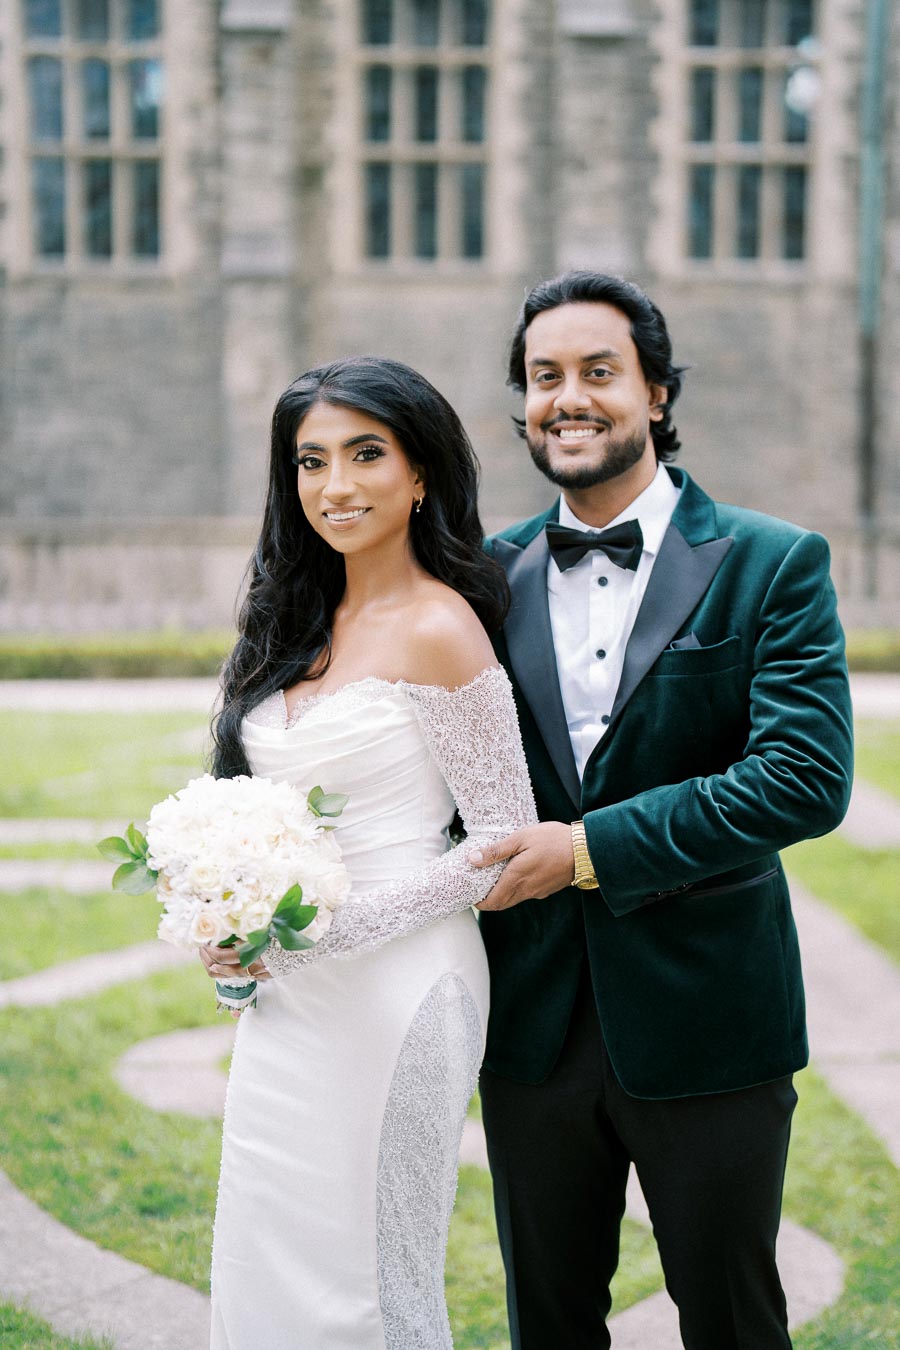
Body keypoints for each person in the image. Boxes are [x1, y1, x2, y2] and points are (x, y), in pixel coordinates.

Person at [470, 271, 854, 1350]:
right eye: (544, 377)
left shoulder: (774, 562)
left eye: (599, 372)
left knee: (733, 1322)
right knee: (547, 1327)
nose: (568, 398)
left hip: (710, 1019)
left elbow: (803, 779)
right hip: (531, 1028)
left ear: (657, 395)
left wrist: (586, 850)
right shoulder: (479, 578)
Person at [199, 355, 536, 1349]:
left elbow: (503, 839)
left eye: (364, 455)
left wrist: (333, 932)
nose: (334, 486)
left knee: (373, 1273)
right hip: (290, 999)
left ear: (421, 472)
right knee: (267, 1239)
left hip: (402, 985)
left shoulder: (442, 626)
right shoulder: (294, 622)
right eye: (310, 462)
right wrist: (228, 921)